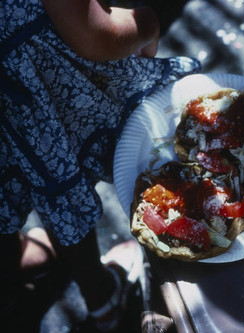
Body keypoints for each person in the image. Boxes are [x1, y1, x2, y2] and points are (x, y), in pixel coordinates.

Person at [0, 0, 200, 331]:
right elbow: (94, 36)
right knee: (59, 181)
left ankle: (14, 260)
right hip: (27, 78)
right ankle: (102, 297)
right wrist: (147, 24)